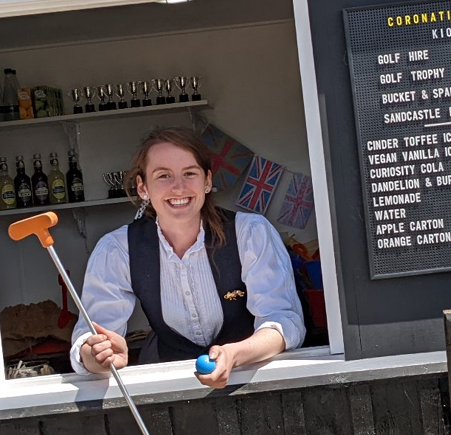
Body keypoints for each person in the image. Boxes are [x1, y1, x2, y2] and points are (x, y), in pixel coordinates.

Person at [69, 126, 305, 388]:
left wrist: (235, 354)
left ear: (207, 181)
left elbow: (284, 321)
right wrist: (99, 355)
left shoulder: (250, 233)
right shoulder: (117, 249)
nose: (178, 187)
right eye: (163, 176)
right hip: (172, 387)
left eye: (189, 173)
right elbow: (87, 343)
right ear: (143, 187)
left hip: (254, 379)